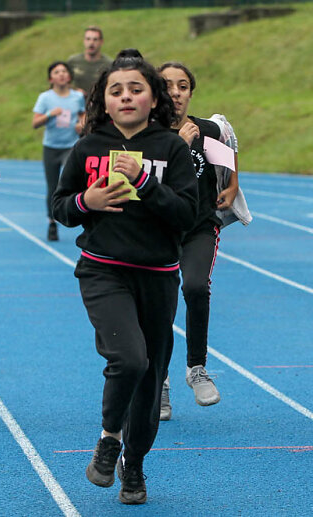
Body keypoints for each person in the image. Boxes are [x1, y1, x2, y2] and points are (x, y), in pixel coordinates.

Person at [52, 53, 197, 505]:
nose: (126, 97)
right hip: (103, 269)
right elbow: (60, 207)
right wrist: (86, 202)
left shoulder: (171, 148)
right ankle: (109, 437)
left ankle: (133, 464)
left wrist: (146, 183)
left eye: (136, 89)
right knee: (130, 359)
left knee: (150, 380)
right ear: (104, 101)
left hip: (157, 275)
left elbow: (187, 214)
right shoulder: (89, 147)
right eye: (116, 91)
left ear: (154, 98)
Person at [157, 61, 251, 420]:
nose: (175, 93)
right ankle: (159, 381)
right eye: (167, 86)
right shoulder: (147, 136)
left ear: (190, 93)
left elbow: (227, 154)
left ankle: (196, 368)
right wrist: (177, 146)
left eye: (182, 86)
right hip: (158, 230)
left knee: (196, 287)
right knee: (161, 302)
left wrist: (232, 185)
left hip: (199, 225)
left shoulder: (206, 130)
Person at [32, 61, 85, 241]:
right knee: (53, 187)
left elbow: (83, 115)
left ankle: (80, 218)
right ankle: (52, 222)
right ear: (51, 78)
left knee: (72, 182)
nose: (61, 74)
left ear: (69, 77)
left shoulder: (77, 97)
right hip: (51, 147)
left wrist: (81, 124)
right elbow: (35, 123)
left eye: (64, 71)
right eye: (57, 72)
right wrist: (49, 115)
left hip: (71, 146)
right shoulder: (45, 98)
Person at [67, 26, 112, 97]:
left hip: (99, 101)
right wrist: (74, 90)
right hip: (77, 100)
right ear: (84, 41)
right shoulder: (73, 61)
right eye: (88, 39)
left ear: (101, 42)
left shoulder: (109, 64)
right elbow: (63, 83)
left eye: (95, 39)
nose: (91, 43)